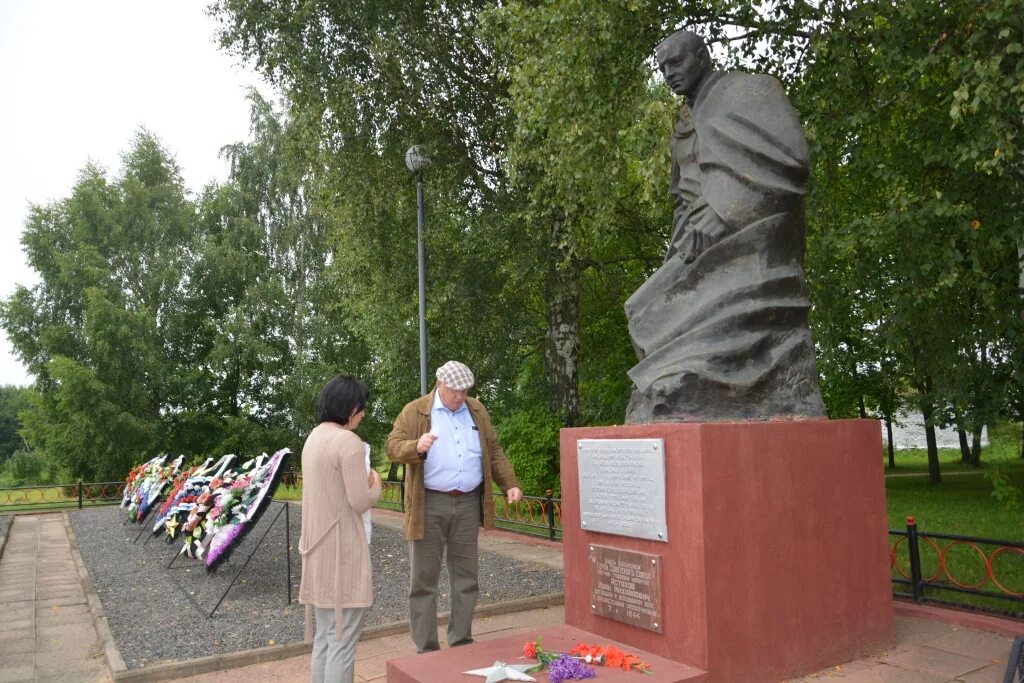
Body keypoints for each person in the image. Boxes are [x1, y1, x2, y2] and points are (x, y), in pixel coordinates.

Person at [624, 29, 826, 423]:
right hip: (697, 248)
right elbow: (682, 195)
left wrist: (724, 209)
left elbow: (791, 160)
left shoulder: (750, 92)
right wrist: (683, 242)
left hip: (752, 245)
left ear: (703, 55)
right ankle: (670, 387)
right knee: (640, 309)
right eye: (662, 67)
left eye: (676, 62)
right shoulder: (684, 123)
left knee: (666, 325)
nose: (668, 74)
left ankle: (692, 380)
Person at [386, 360, 522, 653]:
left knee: (467, 576)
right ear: (440, 384)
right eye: (455, 391)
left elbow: (494, 450)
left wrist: (509, 483)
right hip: (428, 503)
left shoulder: (476, 411)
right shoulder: (415, 411)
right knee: (424, 580)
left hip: (468, 503)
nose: (460, 397)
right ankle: (427, 648)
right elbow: (392, 446)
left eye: (465, 391)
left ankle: (461, 641)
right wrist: (416, 446)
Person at [298, 375, 382, 683]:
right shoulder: (348, 441)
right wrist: (377, 487)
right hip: (341, 552)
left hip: (317, 550)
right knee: (342, 641)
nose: (363, 414)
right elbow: (360, 500)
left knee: (325, 637)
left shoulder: (314, 437)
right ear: (351, 408)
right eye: (362, 407)